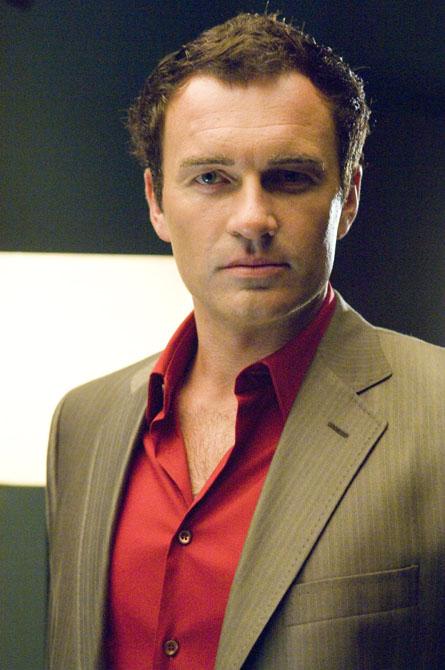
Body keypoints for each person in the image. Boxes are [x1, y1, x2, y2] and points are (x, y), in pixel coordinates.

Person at [46, 12, 444, 670]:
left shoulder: (436, 416)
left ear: (347, 196)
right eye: (211, 178)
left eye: (290, 177)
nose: (252, 218)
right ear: (156, 201)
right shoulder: (82, 424)